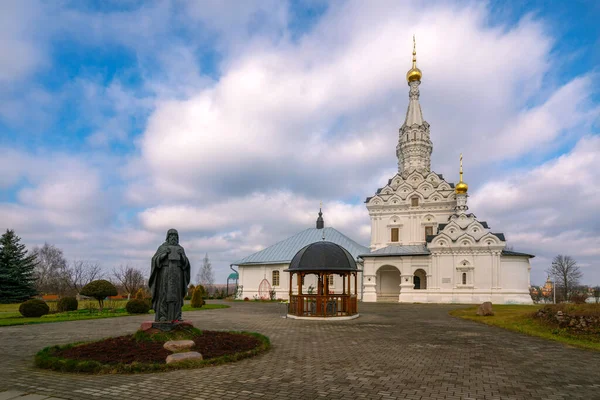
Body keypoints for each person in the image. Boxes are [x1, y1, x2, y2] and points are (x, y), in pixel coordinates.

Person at [149, 229, 191, 322]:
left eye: (175, 236)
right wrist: (164, 254)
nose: (173, 238)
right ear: (167, 237)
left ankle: (177, 316)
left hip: (177, 274)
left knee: (177, 295)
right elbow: (154, 260)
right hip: (165, 273)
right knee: (164, 294)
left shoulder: (180, 249)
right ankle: (162, 316)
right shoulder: (162, 248)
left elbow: (186, 264)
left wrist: (182, 257)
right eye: (171, 236)